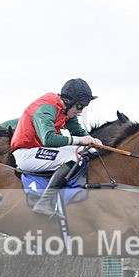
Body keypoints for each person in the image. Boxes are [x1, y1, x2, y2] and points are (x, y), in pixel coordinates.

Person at [10, 78, 103, 218]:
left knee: (85, 151)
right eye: (79, 106)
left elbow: (79, 132)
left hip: (40, 151)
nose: (80, 111)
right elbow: (48, 139)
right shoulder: (46, 107)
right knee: (74, 156)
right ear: (69, 100)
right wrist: (80, 140)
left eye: (83, 107)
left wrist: (93, 142)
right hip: (26, 153)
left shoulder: (66, 110)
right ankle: (44, 202)